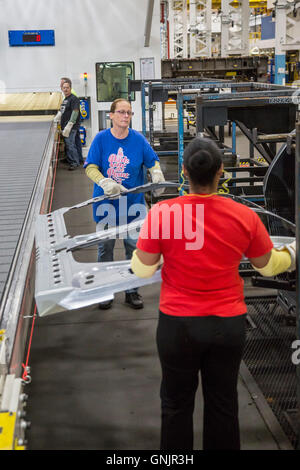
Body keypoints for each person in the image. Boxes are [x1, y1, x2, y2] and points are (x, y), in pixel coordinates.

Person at [130, 136, 296, 450]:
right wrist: (293, 252)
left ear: (183, 171)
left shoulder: (163, 214)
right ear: (221, 171)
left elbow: (142, 270)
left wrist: (157, 254)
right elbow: (268, 266)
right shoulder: (243, 215)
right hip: (226, 326)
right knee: (223, 406)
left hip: (177, 326)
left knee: (176, 406)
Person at [84, 98, 165, 310]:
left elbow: (152, 161)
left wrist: (156, 173)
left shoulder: (138, 140)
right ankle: (106, 291)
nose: (125, 116)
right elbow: (90, 166)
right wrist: (104, 181)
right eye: (121, 112)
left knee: (134, 250)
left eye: (129, 113)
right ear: (111, 115)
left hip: (133, 208)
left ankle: (132, 291)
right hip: (107, 207)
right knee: (106, 251)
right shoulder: (101, 139)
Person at [54, 78, 82, 169]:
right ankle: (76, 159)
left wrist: (69, 126)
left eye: (67, 87)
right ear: (62, 88)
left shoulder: (74, 99)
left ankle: (74, 163)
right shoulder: (65, 99)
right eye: (64, 87)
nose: (65, 89)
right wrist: (55, 119)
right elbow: (62, 111)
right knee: (72, 143)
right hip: (65, 125)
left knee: (70, 144)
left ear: (70, 88)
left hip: (71, 126)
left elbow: (75, 112)